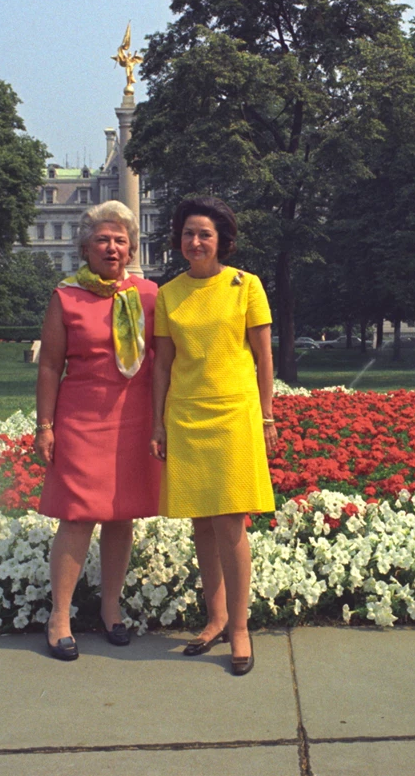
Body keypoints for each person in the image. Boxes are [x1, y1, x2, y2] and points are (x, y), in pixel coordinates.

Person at [149, 196, 276, 677]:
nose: (195, 241)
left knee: (230, 522)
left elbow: (264, 358)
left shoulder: (247, 286)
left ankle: (240, 627)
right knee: (202, 522)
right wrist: (158, 422)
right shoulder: (169, 294)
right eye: (187, 233)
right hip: (185, 415)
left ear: (222, 239)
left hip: (234, 413)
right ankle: (216, 616)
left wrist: (267, 417)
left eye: (204, 233)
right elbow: (162, 363)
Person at [34, 201, 160, 661]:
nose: (112, 247)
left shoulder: (149, 294)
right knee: (78, 515)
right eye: (103, 240)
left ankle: (111, 608)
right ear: (85, 248)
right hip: (82, 417)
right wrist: (44, 426)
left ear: (131, 248)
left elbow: (164, 361)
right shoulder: (65, 296)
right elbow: (50, 366)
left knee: (121, 514)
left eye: (121, 240)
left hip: (135, 418)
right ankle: (60, 615)